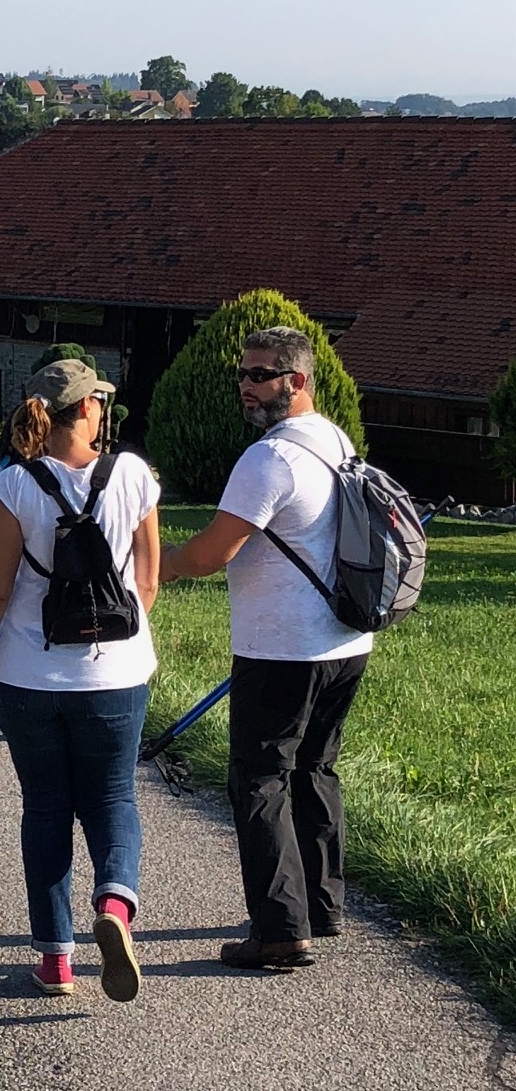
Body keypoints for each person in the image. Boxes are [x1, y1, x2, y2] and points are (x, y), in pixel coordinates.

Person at [159, 325, 375, 973]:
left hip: (282, 646)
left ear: (297, 381)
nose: (246, 388)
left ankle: (280, 930)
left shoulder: (270, 459)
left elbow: (206, 556)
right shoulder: (335, 441)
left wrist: (143, 565)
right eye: (243, 375)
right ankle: (321, 904)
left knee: (258, 778)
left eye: (260, 375)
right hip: (345, 640)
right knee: (314, 769)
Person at [0, 360, 160, 1003]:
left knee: (45, 806)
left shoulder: (13, 484)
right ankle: (116, 909)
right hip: (115, 675)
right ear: (89, 408)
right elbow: (147, 580)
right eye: (100, 399)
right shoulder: (132, 474)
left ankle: (56, 961)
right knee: (113, 798)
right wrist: (118, 644)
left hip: (26, 675)